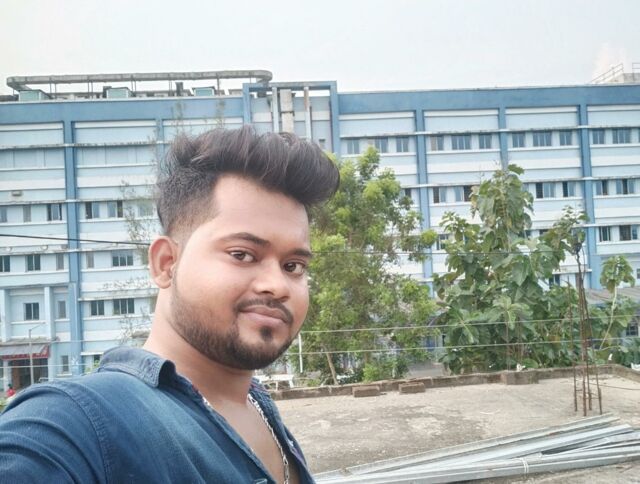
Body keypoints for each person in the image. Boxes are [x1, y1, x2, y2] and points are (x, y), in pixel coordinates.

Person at [0, 127, 339, 483]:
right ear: (166, 263)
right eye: (242, 254)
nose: (277, 285)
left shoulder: (259, 407)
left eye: (293, 266)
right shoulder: (80, 420)